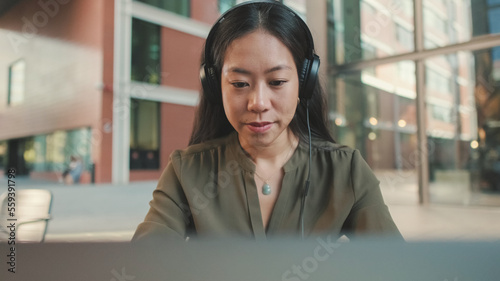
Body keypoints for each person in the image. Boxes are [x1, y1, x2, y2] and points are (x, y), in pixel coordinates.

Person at [133, 1, 402, 241]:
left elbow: (396, 268)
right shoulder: (187, 170)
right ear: (216, 87)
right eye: (239, 83)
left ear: (304, 84)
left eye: (277, 82)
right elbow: (142, 265)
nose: (258, 103)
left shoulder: (346, 170)